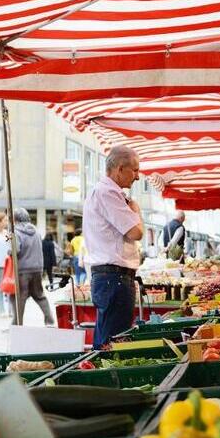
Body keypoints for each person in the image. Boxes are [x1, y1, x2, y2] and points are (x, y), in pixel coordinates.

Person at [84, 145, 143, 348]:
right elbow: (137, 232)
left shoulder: (106, 192)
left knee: (109, 341)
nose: (137, 177)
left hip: (112, 279)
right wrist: (136, 211)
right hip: (114, 279)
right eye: (134, 170)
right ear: (119, 168)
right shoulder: (107, 192)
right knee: (112, 345)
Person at [9, 208, 55, 326]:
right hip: (37, 268)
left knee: (20, 297)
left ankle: (17, 324)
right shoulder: (36, 231)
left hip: (23, 269)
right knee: (40, 296)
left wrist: (9, 248)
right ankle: (49, 321)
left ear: (15, 219)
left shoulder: (15, 232)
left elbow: (15, 250)